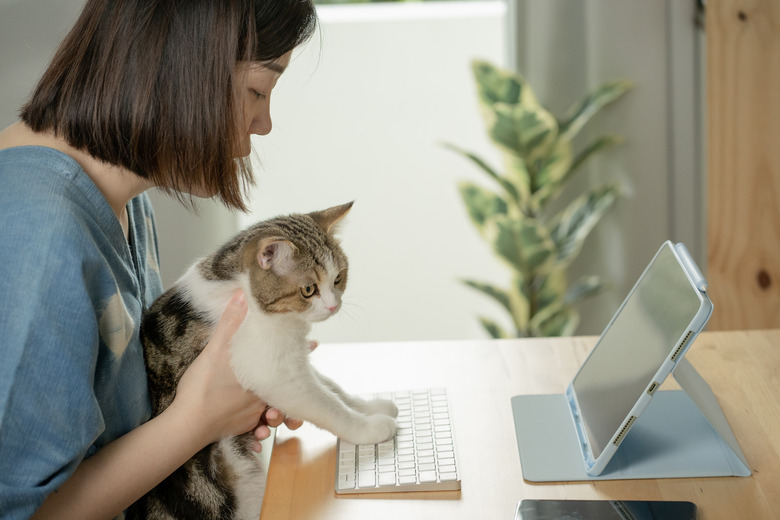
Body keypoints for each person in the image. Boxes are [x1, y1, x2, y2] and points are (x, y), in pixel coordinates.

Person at [0, 1, 318, 518]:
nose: (264, 123)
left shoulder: (121, 200)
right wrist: (196, 418)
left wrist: (223, 387)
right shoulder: (37, 237)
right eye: (257, 91)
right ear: (182, 67)